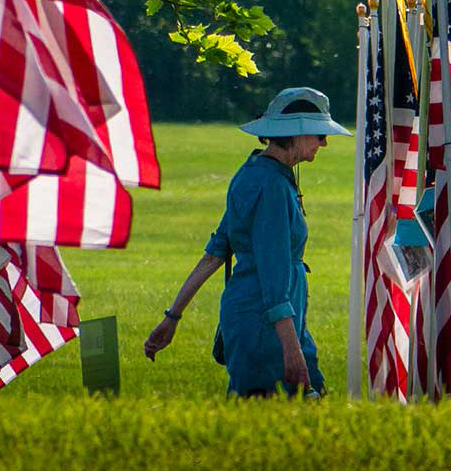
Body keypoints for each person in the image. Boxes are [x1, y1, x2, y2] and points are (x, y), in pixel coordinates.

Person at [142, 87, 349, 396]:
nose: (325, 142)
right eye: (319, 134)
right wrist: (292, 349)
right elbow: (272, 276)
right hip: (268, 324)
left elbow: (214, 254)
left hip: (270, 320)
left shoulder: (251, 174)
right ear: (296, 132)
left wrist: (172, 318)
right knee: (278, 411)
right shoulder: (272, 188)